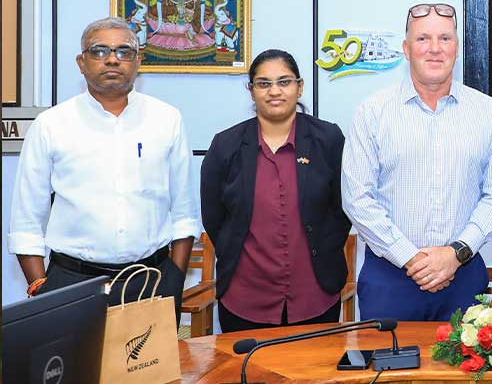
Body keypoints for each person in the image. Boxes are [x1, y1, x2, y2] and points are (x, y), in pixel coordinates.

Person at [8, 17, 200, 321]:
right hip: (72, 283)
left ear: (138, 61)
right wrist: (39, 286)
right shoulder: (51, 125)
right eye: (99, 51)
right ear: (81, 63)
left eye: (124, 51)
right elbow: (26, 222)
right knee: (73, 356)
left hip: (151, 281)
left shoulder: (167, 120)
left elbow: (184, 213)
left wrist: (174, 280)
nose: (112, 59)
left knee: (151, 356)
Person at [341, 3, 492, 321]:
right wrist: (411, 258)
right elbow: (357, 199)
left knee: (465, 357)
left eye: (444, 38)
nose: (435, 48)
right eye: (423, 39)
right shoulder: (372, 113)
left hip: (463, 276)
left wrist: (455, 254)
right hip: (389, 279)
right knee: (389, 358)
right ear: (406, 49)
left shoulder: (489, 113)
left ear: (456, 48)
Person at [200, 49, 350, 332]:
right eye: (264, 83)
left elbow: (343, 210)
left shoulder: (328, 139)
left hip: (315, 294)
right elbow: (214, 218)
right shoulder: (225, 146)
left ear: (299, 87)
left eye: (284, 82)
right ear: (251, 90)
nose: (274, 91)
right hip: (245, 296)